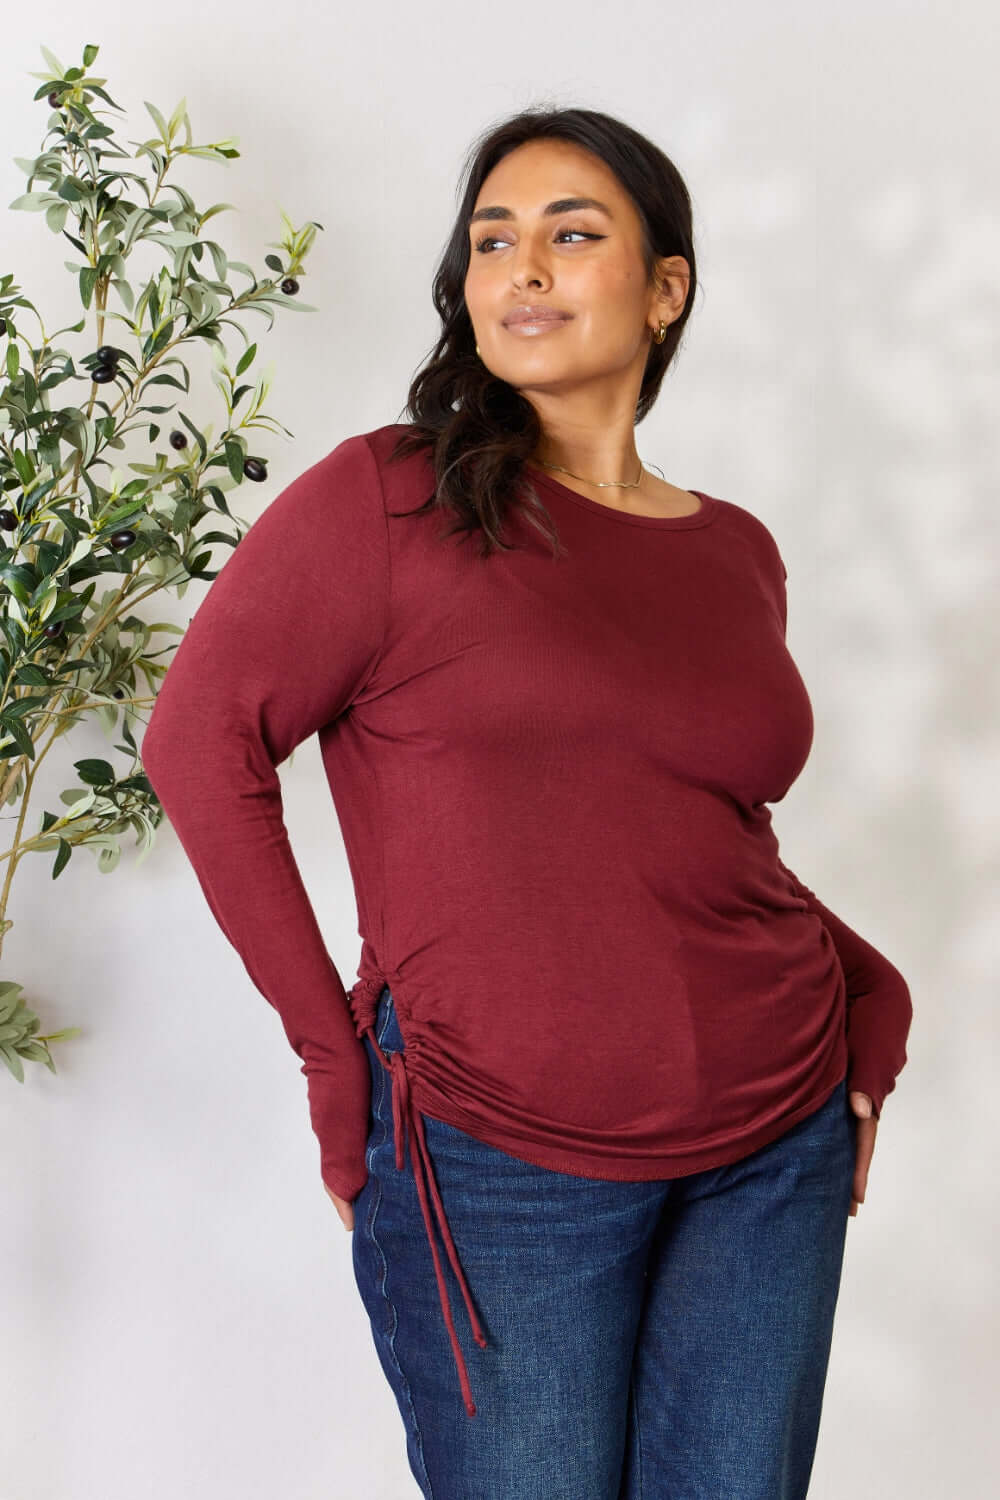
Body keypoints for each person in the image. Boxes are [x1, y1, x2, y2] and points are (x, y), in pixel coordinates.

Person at [141, 105, 913, 1500]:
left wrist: (871, 983)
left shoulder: (735, 551)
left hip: (773, 1143)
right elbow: (198, 747)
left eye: (573, 233)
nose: (524, 268)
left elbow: (691, 823)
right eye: (493, 240)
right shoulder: (387, 502)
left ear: (665, 288)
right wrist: (336, 1062)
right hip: (498, 1159)